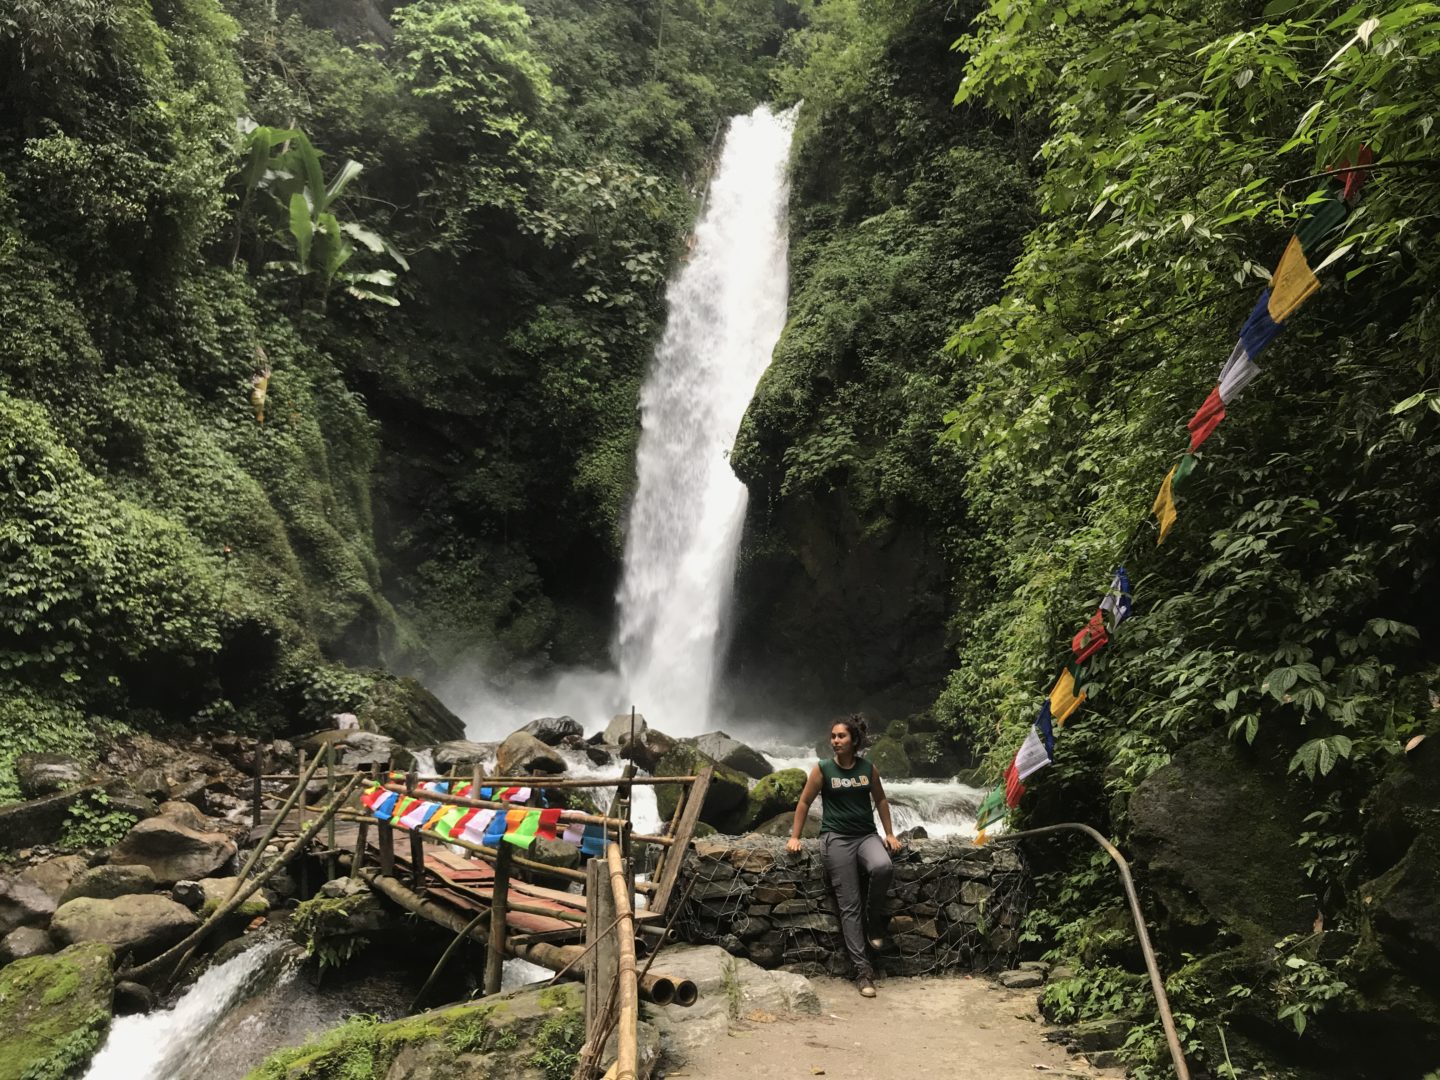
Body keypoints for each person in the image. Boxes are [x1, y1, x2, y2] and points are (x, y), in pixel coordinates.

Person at [787, 713, 902, 997]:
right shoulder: (823, 769)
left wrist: (889, 833)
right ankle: (863, 972)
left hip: (865, 836)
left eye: (841, 737)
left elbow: (881, 799)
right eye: (833, 737)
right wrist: (794, 836)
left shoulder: (867, 769)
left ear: (854, 741)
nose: (835, 741)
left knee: (883, 867)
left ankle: (873, 921)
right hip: (835, 839)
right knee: (848, 904)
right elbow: (804, 802)